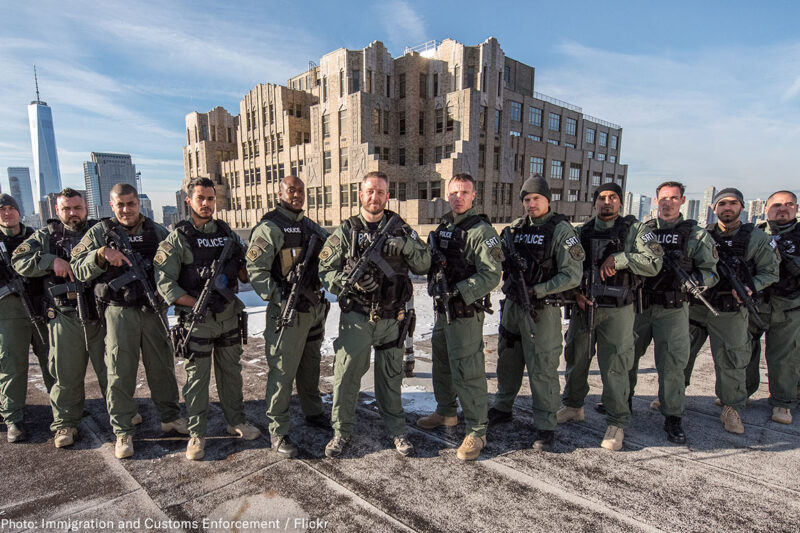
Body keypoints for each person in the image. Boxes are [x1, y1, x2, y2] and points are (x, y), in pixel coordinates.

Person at [319, 171, 430, 458]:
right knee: (346, 375)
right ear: (360, 194)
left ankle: (396, 430)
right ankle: (341, 432)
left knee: (391, 377)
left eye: (380, 192)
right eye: (370, 191)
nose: (375, 197)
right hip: (357, 317)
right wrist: (349, 281)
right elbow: (325, 269)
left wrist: (407, 246)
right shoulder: (347, 231)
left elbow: (424, 263)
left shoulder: (401, 228)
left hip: (393, 318)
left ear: (387, 195)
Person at [71, 183, 187, 459]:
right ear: (111, 205)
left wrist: (165, 287)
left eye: (130, 204)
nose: (125, 209)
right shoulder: (100, 232)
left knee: (162, 366)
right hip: (118, 310)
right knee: (119, 371)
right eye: (119, 204)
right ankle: (123, 430)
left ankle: (169, 416)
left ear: (139, 204)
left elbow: (178, 263)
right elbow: (77, 265)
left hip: (152, 309)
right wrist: (100, 255)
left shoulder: (156, 231)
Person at [155, 177, 259, 460]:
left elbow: (245, 272)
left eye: (210, 198)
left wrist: (247, 264)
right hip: (197, 320)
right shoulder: (178, 238)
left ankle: (235, 421)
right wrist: (195, 304)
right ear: (188, 201)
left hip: (227, 316)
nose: (206, 203)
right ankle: (197, 434)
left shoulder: (227, 234)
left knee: (231, 373)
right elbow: (165, 283)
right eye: (200, 198)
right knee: (196, 380)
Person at [558, 183, 663, 451]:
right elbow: (568, 266)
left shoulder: (636, 231)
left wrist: (621, 259)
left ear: (620, 202)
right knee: (576, 357)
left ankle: (617, 421)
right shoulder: (582, 232)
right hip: (585, 306)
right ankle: (573, 405)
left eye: (613, 198)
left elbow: (654, 263)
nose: (607, 202)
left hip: (618, 310)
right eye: (602, 198)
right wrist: (577, 293)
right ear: (595, 203)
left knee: (616, 365)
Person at [488, 176, 583, 451]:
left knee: (542, 368)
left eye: (536, 199)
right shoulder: (515, 229)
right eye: (527, 200)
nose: (531, 204)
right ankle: (503, 407)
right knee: (508, 359)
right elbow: (497, 258)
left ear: (547, 199)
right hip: (514, 306)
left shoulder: (562, 231)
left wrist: (538, 290)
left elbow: (573, 275)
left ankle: (545, 424)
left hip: (542, 310)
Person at [12, 189, 112, 448]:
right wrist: (50, 260)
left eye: (77, 208)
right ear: (57, 211)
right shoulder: (46, 237)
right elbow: (19, 259)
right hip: (64, 315)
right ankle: (66, 423)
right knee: (65, 375)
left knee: (111, 370)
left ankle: (119, 415)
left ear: (86, 208)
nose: (73, 213)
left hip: (99, 313)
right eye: (66, 208)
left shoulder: (100, 231)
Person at [417, 173, 502, 461]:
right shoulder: (444, 226)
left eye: (464, 192)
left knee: (468, 370)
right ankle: (446, 412)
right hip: (443, 310)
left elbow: (491, 275)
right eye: (454, 193)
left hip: (465, 311)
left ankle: (478, 430)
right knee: (441, 362)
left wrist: (459, 291)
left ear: (473, 195)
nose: (458, 197)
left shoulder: (482, 231)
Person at [626, 181, 718, 444]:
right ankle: (622, 402)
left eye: (673, 198)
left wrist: (695, 279)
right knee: (626, 356)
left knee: (673, 365)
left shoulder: (695, 235)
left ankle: (673, 416)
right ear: (656, 201)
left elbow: (712, 272)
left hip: (674, 308)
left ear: (682, 201)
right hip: (640, 305)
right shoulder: (642, 232)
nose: (668, 202)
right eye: (663, 198)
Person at [246, 175, 330, 458]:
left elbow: (332, 249)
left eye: (300, 191)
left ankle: (313, 411)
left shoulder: (309, 225)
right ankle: (278, 430)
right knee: (282, 373)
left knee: (310, 365)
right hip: (287, 311)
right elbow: (256, 272)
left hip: (313, 309)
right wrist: (280, 297)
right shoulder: (270, 228)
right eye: (290, 190)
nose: (296, 195)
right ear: (279, 192)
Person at [684, 188, 779, 434]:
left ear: (741, 207)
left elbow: (770, 272)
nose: (727, 207)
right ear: (714, 208)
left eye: (733, 203)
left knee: (732, 359)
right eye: (722, 203)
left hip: (731, 308)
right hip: (699, 305)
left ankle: (732, 407)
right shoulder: (700, 235)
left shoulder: (755, 237)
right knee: (680, 353)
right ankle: (671, 396)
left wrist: (750, 287)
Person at [0, 193, 53, 442]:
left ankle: (63, 408)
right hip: (8, 312)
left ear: (19, 211)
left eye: (11, 208)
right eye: (2, 209)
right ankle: (13, 418)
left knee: (52, 361)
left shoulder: (35, 236)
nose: (7, 213)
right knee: (12, 366)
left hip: (39, 307)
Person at [745, 190, 800, 424]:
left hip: (788, 306)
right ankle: (739, 394)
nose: (782, 209)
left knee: (784, 357)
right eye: (776, 205)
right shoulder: (754, 234)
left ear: (796, 209)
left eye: (788, 204)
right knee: (743, 351)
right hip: (754, 304)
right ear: (766, 209)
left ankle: (782, 402)